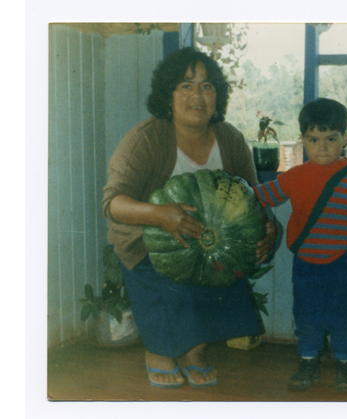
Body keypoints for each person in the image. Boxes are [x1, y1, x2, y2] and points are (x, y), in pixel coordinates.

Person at [102, 47, 277, 389]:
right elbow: (112, 203)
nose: (197, 95)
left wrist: (269, 228)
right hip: (147, 243)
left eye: (207, 86)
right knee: (171, 285)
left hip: (210, 245)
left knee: (224, 278)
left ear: (218, 96)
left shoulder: (230, 139)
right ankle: (159, 353)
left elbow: (252, 198)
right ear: (167, 95)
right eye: (186, 86)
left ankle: (194, 353)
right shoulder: (145, 140)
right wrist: (159, 215)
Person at [253, 98, 347, 393]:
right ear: (302, 141)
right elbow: (259, 197)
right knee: (306, 316)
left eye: (331, 139)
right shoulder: (294, 176)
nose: (322, 147)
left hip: (346, 263)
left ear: (344, 139)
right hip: (306, 264)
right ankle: (307, 362)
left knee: (345, 317)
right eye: (314, 139)